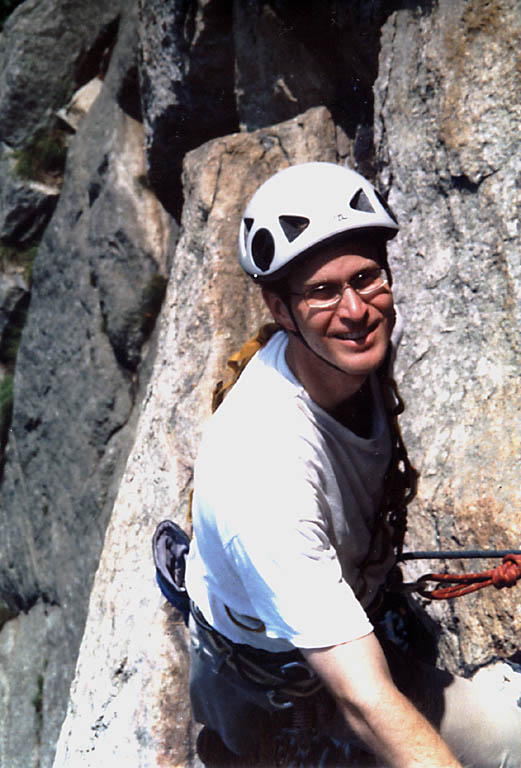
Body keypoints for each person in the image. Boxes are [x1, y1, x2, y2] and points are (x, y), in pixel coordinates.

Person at [184, 162, 521, 767]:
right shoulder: (264, 476)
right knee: (508, 744)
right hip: (273, 668)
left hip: (329, 602)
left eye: (366, 278)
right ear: (280, 310)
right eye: (321, 291)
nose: (356, 310)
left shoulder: (347, 353)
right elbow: (367, 699)